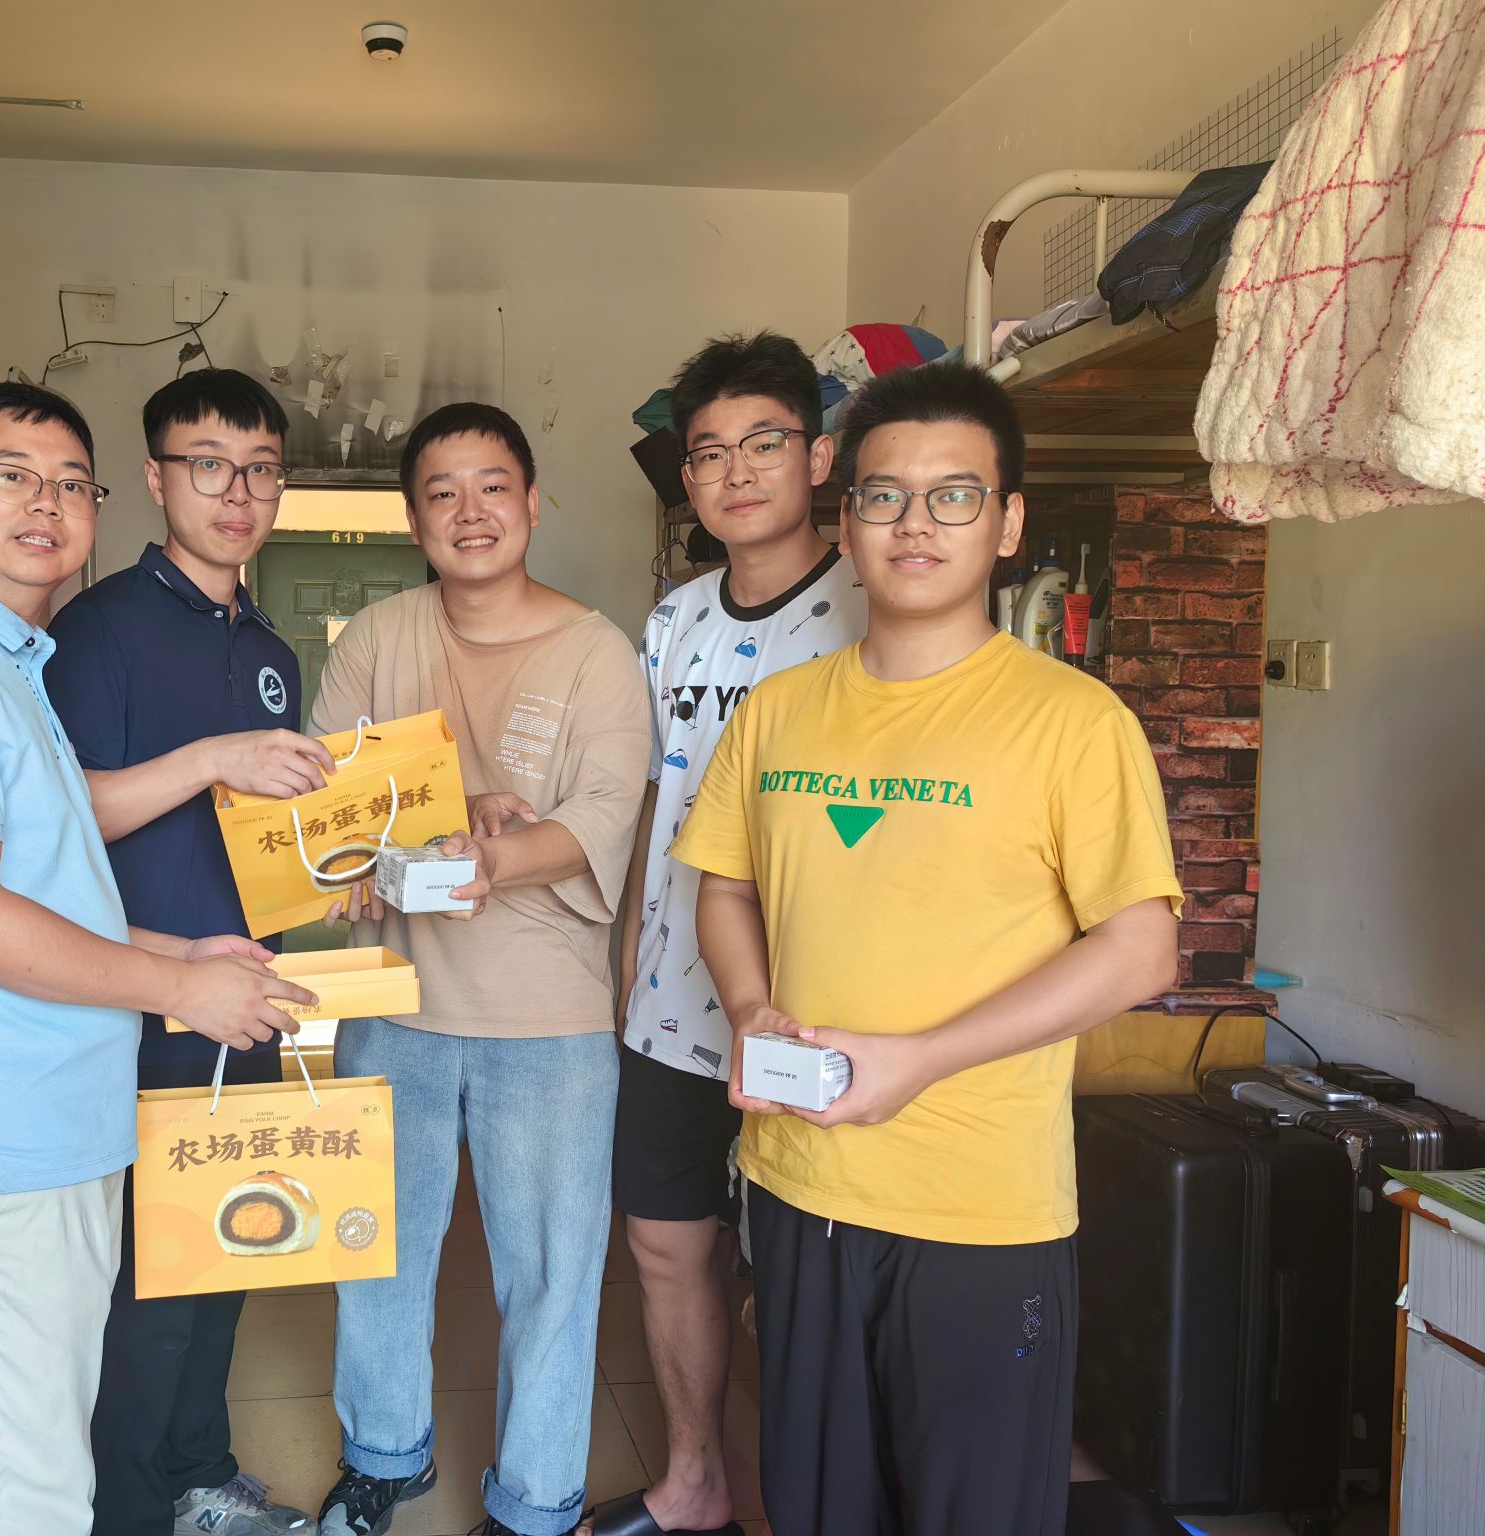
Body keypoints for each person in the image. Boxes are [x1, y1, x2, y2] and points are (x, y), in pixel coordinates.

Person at [672, 364, 1181, 1536]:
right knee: (816, 1505)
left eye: (953, 496)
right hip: (796, 1185)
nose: (913, 523)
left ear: (1005, 524)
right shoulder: (777, 712)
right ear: (844, 520)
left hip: (977, 1211)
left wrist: (921, 1059)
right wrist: (747, 1009)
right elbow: (724, 889)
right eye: (882, 496)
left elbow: (1141, 948)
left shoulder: (1071, 721)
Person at [0, 381, 314, 1535]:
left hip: (33, 1138)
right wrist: (178, 983)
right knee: (20, 1493)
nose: (44, 504)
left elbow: (40, 889)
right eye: (10, 477)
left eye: (67, 485)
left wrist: (183, 947)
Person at [306, 403, 651, 1536]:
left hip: (548, 1018)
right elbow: (329, 803)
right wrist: (434, 823)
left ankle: (536, 1499)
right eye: (442, 492)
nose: (470, 512)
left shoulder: (597, 652)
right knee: (375, 1250)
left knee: (552, 1272)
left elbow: (603, 813)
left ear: (532, 503)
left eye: (492, 486)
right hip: (394, 1003)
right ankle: (382, 1454)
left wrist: (492, 857)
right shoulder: (376, 637)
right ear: (414, 518)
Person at [44, 369, 329, 1536]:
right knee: (147, 1292)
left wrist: (349, 859)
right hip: (132, 1005)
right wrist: (214, 757)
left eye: (260, 469)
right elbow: (62, 820)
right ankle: (128, 1510)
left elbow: (268, 838)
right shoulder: (97, 628)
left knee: (227, 1258)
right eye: (208, 465)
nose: (236, 492)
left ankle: (200, 1473)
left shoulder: (271, 648)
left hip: (243, 998)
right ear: (156, 479)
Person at [595, 333, 865, 1536]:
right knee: (666, 1245)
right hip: (670, 1002)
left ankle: (821, 1500)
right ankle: (695, 1479)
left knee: (808, 1268)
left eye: (763, 443)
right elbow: (649, 801)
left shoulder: (870, 606)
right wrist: (622, 961)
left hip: (815, 1005)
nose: (735, 472)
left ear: (817, 457)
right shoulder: (673, 622)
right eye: (707, 453)